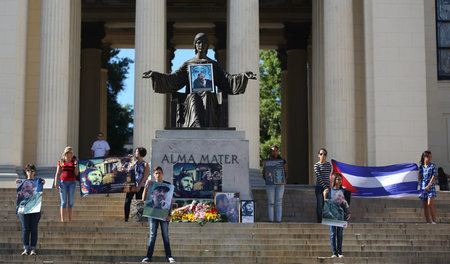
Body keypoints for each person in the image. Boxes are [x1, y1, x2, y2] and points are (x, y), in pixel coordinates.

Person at [142, 33, 256, 128]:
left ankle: (206, 124)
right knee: (193, 96)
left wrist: (244, 76)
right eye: (198, 42)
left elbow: (226, 79)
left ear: (207, 46)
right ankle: (195, 123)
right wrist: (155, 75)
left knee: (206, 93)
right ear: (195, 45)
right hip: (191, 96)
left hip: (209, 97)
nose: (201, 45)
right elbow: (174, 78)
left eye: (203, 43)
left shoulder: (213, 64)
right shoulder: (188, 64)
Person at [141, 166, 175, 263]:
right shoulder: (151, 184)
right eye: (156, 173)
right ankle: (148, 257)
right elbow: (143, 199)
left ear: (162, 174)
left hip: (164, 214)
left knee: (165, 235)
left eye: (160, 173)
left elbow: (171, 201)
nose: (162, 193)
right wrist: (146, 186)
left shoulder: (168, 184)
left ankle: (169, 256)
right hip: (152, 214)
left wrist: (170, 215)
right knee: (152, 235)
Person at [16, 164, 45, 255]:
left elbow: (41, 195)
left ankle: (32, 249)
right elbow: (20, 195)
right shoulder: (22, 182)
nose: (30, 172)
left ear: (35, 172)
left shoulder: (38, 182)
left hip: (35, 208)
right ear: (26, 171)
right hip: (24, 208)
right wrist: (18, 183)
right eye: (28, 170)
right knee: (25, 228)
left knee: (33, 229)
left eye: (32, 170)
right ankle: (25, 248)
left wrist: (42, 184)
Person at [323, 173, 351, 258]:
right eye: (337, 179)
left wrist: (348, 212)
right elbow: (326, 203)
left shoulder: (344, 192)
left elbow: (346, 204)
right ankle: (334, 252)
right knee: (332, 233)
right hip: (331, 215)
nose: (339, 181)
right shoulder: (329, 190)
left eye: (340, 179)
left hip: (341, 215)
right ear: (334, 180)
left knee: (340, 234)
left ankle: (339, 252)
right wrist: (324, 195)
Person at [262, 145, 287, 222]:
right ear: (270, 152)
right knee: (271, 202)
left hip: (280, 184)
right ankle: (271, 220)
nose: (275, 152)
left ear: (278, 151)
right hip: (270, 184)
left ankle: (278, 220)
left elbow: (286, 171)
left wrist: (285, 179)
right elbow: (264, 174)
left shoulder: (282, 161)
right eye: (273, 150)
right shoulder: (267, 161)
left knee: (279, 202)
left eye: (276, 150)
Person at [124, 147, 149, 222]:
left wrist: (139, 186)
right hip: (132, 186)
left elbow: (145, 176)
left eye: (137, 151)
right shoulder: (134, 163)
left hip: (141, 186)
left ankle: (138, 218)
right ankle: (126, 218)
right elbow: (128, 171)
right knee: (127, 201)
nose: (135, 153)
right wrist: (130, 159)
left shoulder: (145, 164)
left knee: (139, 202)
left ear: (140, 153)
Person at [55, 146, 79, 222]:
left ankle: (70, 219)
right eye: (70, 152)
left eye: (72, 153)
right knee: (63, 201)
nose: (71, 154)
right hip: (63, 182)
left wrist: (76, 165)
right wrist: (56, 183)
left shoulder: (74, 161)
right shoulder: (61, 161)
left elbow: (76, 173)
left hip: (72, 182)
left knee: (71, 201)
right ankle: (63, 219)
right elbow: (57, 173)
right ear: (66, 153)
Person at [418, 150, 437, 224]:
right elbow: (419, 177)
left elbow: (434, 176)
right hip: (423, 187)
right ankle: (428, 221)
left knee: (430, 204)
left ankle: (434, 221)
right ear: (424, 157)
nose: (430, 159)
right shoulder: (421, 167)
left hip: (430, 187)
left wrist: (429, 185)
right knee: (425, 206)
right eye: (428, 157)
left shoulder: (432, 166)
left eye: (430, 157)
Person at [314, 148, 332, 223]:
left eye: (324, 154)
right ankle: (319, 220)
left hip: (328, 187)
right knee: (320, 204)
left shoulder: (329, 165)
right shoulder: (316, 165)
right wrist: (325, 188)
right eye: (321, 154)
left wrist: (329, 187)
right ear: (318, 155)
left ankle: (327, 219)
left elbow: (330, 175)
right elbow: (319, 177)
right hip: (319, 188)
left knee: (327, 204)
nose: (323, 155)